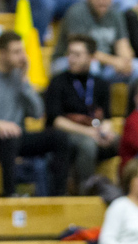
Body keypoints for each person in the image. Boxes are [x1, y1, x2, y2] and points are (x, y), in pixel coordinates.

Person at [0, 32, 71, 198]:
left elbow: (38, 113)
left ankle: (58, 194)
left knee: (59, 137)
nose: (21, 56)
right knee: (10, 137)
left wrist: (24, 81)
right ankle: (9, 195)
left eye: (22, 51)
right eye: (16, 52)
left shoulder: (19, 77)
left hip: (17, 137)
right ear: (2, 53)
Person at [44, 34, 120, 192]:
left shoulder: (100, 83)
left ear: (91, 57)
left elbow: (107, 117)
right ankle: (84, 191)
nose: (71, 59)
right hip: (66, 133)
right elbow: (56, 120)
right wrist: (89, 132)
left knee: (121, 141)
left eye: (77, 55)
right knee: (87, 145)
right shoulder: (58, 82)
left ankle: (122, 189)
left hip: (94, 130)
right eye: (70, 54)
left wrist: (105, 131)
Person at [53, 0, 138, 82]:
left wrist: (126, 62)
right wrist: (115, 62)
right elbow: (82, 51)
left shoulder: (116, 14)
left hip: (106, 64)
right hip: (70, 60)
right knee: (92, 66)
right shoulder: (77, 12)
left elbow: (123, 44)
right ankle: (89, 98)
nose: (103, 1)